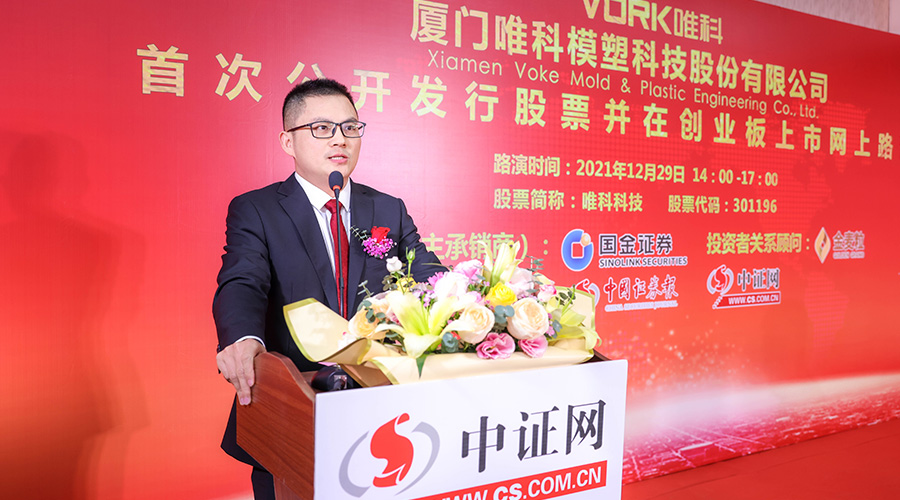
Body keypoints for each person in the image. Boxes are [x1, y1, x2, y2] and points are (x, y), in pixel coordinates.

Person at [212, 78, 444, 499]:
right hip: (292, 406)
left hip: (384, 405)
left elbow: (426, 273)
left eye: (350, 127)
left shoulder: (387, 208)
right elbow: (243, 280)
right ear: (288, 141)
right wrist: (242, 337)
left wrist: (468, 299)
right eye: (321, 128)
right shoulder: (257, 209)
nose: (340, 139)